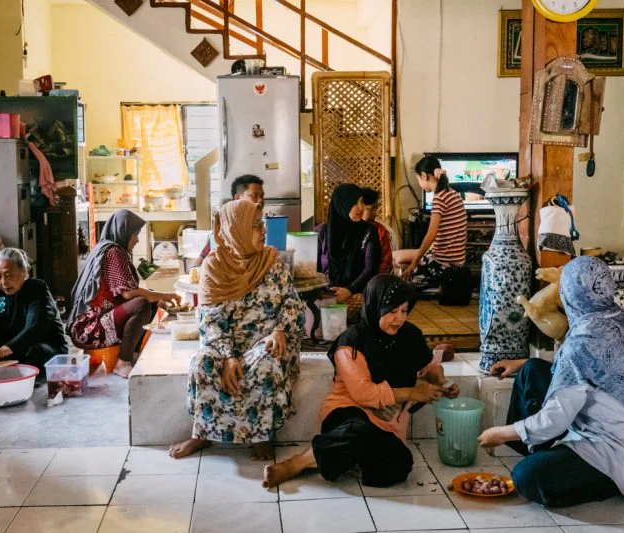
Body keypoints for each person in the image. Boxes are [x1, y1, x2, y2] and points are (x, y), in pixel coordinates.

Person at [477, 257, 624, 508]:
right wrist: (520, 363)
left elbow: (556, 418)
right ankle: (546, 451)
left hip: (615, 453)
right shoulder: (617, 320)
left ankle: (564, 467)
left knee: (526, 477)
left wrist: (501, 433)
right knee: (532, 369)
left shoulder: (582, 340)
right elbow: (582, 366)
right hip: (617, 432)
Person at [262, 274, 460, 489]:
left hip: (387, 422)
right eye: (392, 311)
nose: (400, 318)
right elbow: (363, 394)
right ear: (375, 306)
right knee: (359, 431)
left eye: (404, 310)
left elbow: (429, 365)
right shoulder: (352, 340)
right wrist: (414, 393)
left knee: (398, 467)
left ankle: (345, 456)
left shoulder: (410, 335)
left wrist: (443, 381)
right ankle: (298, 462)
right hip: (349, 412)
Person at [170, 200, 305, 461]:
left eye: (261, 224)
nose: (263, 230)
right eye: (255, 226)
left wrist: (280, 331)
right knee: (202, 364)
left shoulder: (271, 262)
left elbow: (292, 302)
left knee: (267, 365)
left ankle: (262, 436)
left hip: (266, 342)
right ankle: (202, 434)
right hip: (225, 344)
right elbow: (209, 320)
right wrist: (228, 355)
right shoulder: (213, 267)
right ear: (236, 229)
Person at [68, 209, 181, 379]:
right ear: (123, 232)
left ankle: (133, 354)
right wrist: (163, 295)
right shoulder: (113, 252)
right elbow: (128, 294)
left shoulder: (106, 248)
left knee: (149, 299)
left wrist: (157, 297)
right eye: (135, 235)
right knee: (142, 303)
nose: (136, 240)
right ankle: (123, 362)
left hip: (89, 324)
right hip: (89, 329)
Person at [394, 156, 467, 291]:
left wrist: (414, 264)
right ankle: (421, 276)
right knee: (397, 258)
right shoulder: (453, 194)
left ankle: (427, 279)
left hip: (442, 264)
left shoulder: (439, 198)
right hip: (457, 262)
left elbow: (431, 234)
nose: (418, 183)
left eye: (417, 179)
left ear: (424, 176)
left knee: (395, 260)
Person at [316, 184, 380, 321]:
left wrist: (350, 290)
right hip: (325, 294)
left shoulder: (368, 232)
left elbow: (371, 269)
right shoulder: (322, 232)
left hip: (357, 293)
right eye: (355, 203)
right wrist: (326, 292)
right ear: (342, 204)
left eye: (362, 202)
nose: (361, 207)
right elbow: (314, 269)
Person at [194, 175, 265, 267]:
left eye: (262, 196)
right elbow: (198, 263)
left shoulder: (265, 227)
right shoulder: (223, 231)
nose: (260, 200)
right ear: (237, 198)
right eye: (254, 195)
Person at [361, 187, 394, 274]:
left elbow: (386, 262)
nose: (375, 213)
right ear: (359, 207)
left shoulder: (380, 231)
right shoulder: (347, 230)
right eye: (370, 208)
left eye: (376, 208)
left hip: (374, 278)